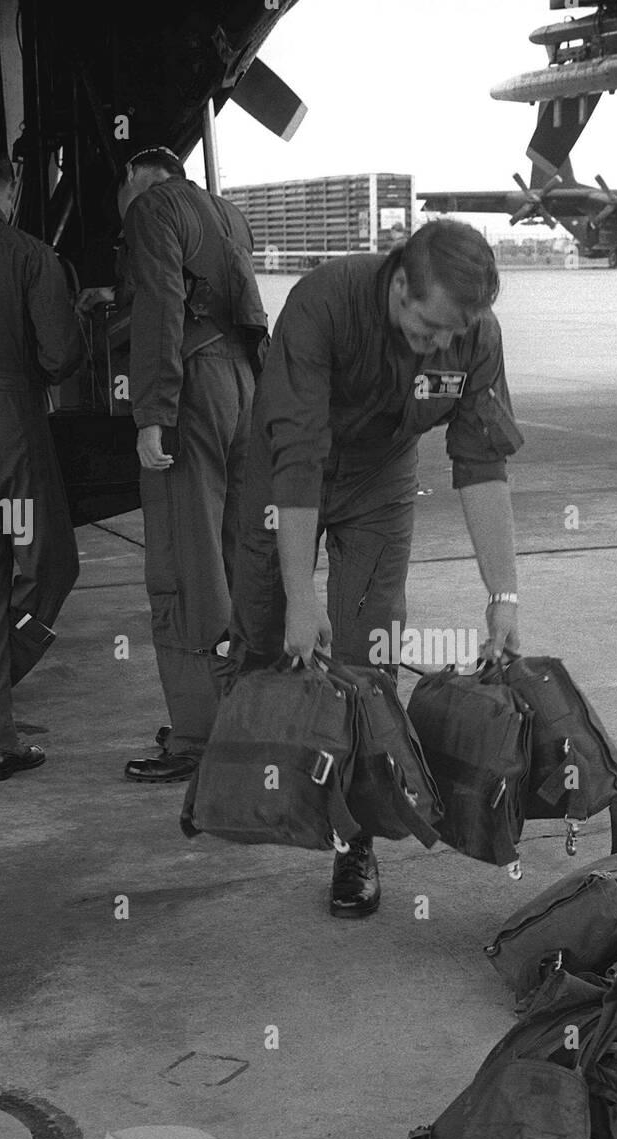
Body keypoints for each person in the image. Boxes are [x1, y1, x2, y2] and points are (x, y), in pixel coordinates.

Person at [228, 217, 524, 917]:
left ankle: (352, 838)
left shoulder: (474, 333)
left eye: (455, 332)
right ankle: (250, 783)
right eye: (429, 329)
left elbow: (482, 461)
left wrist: (503, 595)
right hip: (285, 473)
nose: (442, 345)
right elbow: (296, 458)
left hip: (381, 479)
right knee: (266, 635)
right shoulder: (323, 304)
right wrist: (301, 598)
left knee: (368, 654)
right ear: (398, 286)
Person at [104, 146, 266, 783]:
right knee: (230, 555)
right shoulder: (226, 213)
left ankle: (198, 740)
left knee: (181, 559)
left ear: (136, 178)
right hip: (241, 385)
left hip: (192, 390)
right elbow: (235, 303)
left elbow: (162, 306)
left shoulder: (152, 206)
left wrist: (152, 411)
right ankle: (241, 718)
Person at [0, 152, 82, 783]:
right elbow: (59, 353)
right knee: (46, 562)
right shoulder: (28, 255)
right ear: (12, 192)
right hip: (4, 428)